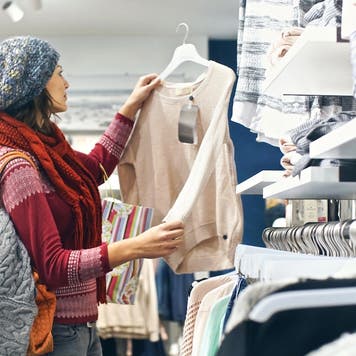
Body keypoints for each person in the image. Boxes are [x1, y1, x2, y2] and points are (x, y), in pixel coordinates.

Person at [0, 36, 184, 355]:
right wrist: (134, 247)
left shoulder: (48, 150)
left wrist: (131, 106)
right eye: (59, 73)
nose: (66, 82)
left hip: (82, 327)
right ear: (36, 85)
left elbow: (95, 167)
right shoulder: (19, 166)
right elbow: (52, 265)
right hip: (56, 332)